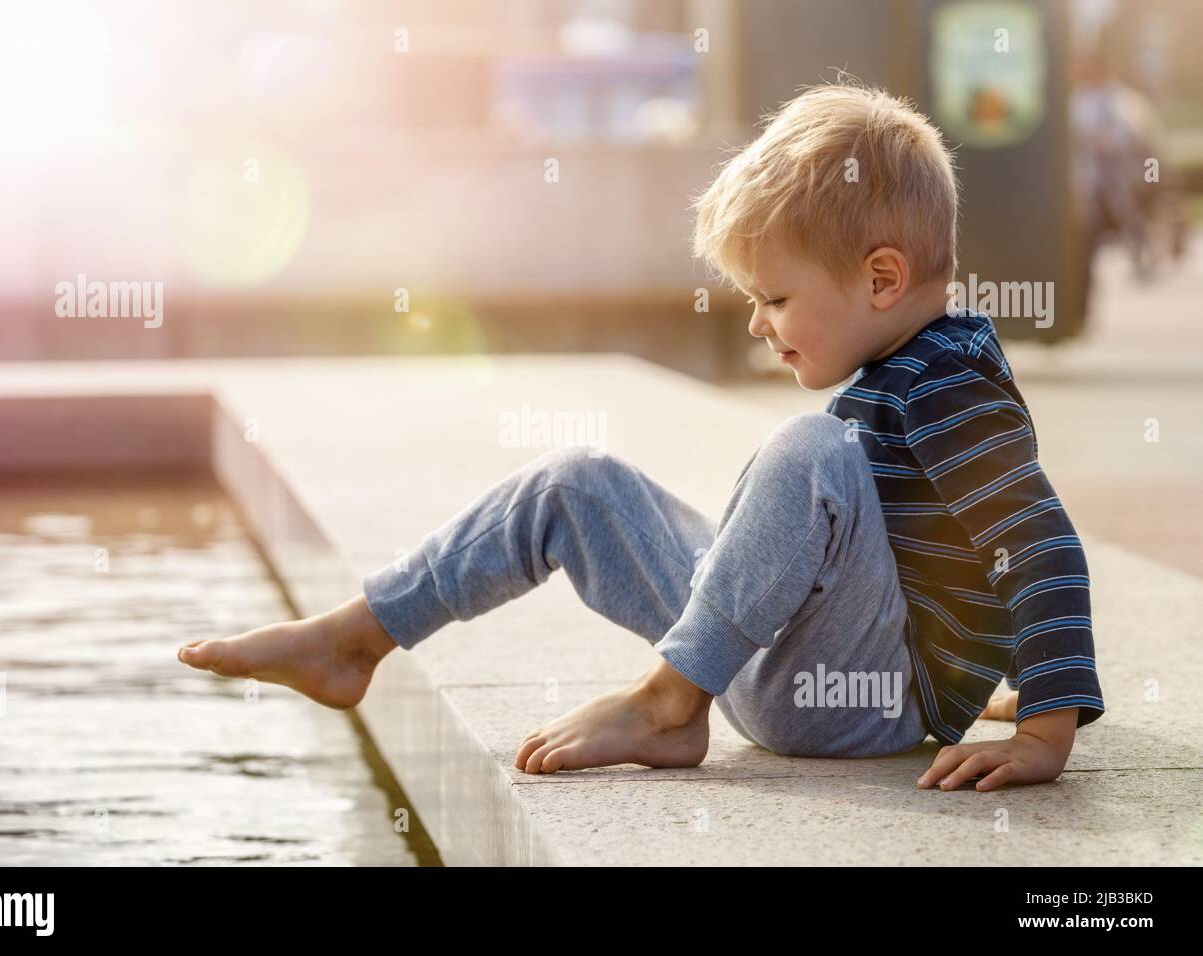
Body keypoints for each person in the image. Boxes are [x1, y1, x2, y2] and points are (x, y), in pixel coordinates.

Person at [178, 80, 1104, 792]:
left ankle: (668, 703)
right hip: (778, 661)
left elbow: (1037, 542)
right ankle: (355, 638)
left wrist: (1044, 732)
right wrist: (995, 667)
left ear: (883, 278)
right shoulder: (908, 361)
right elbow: (939, 542)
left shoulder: (952, 379)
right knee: (576, 481)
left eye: (775, 299)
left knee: (811, 451)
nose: (757, 324)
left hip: (851, 707)